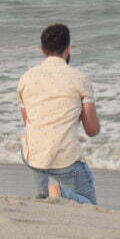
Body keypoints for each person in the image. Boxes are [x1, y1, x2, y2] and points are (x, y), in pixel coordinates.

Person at [17, 23, 101, 204]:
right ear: (68, 49)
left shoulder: (26, 78)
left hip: (33, 155)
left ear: (42, 50)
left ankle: (42, 195)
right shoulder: (79, 78)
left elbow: (28, 121)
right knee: (89, 203)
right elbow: (92, 130)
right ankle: (59, 192)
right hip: (65, 160)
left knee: (41, 196)